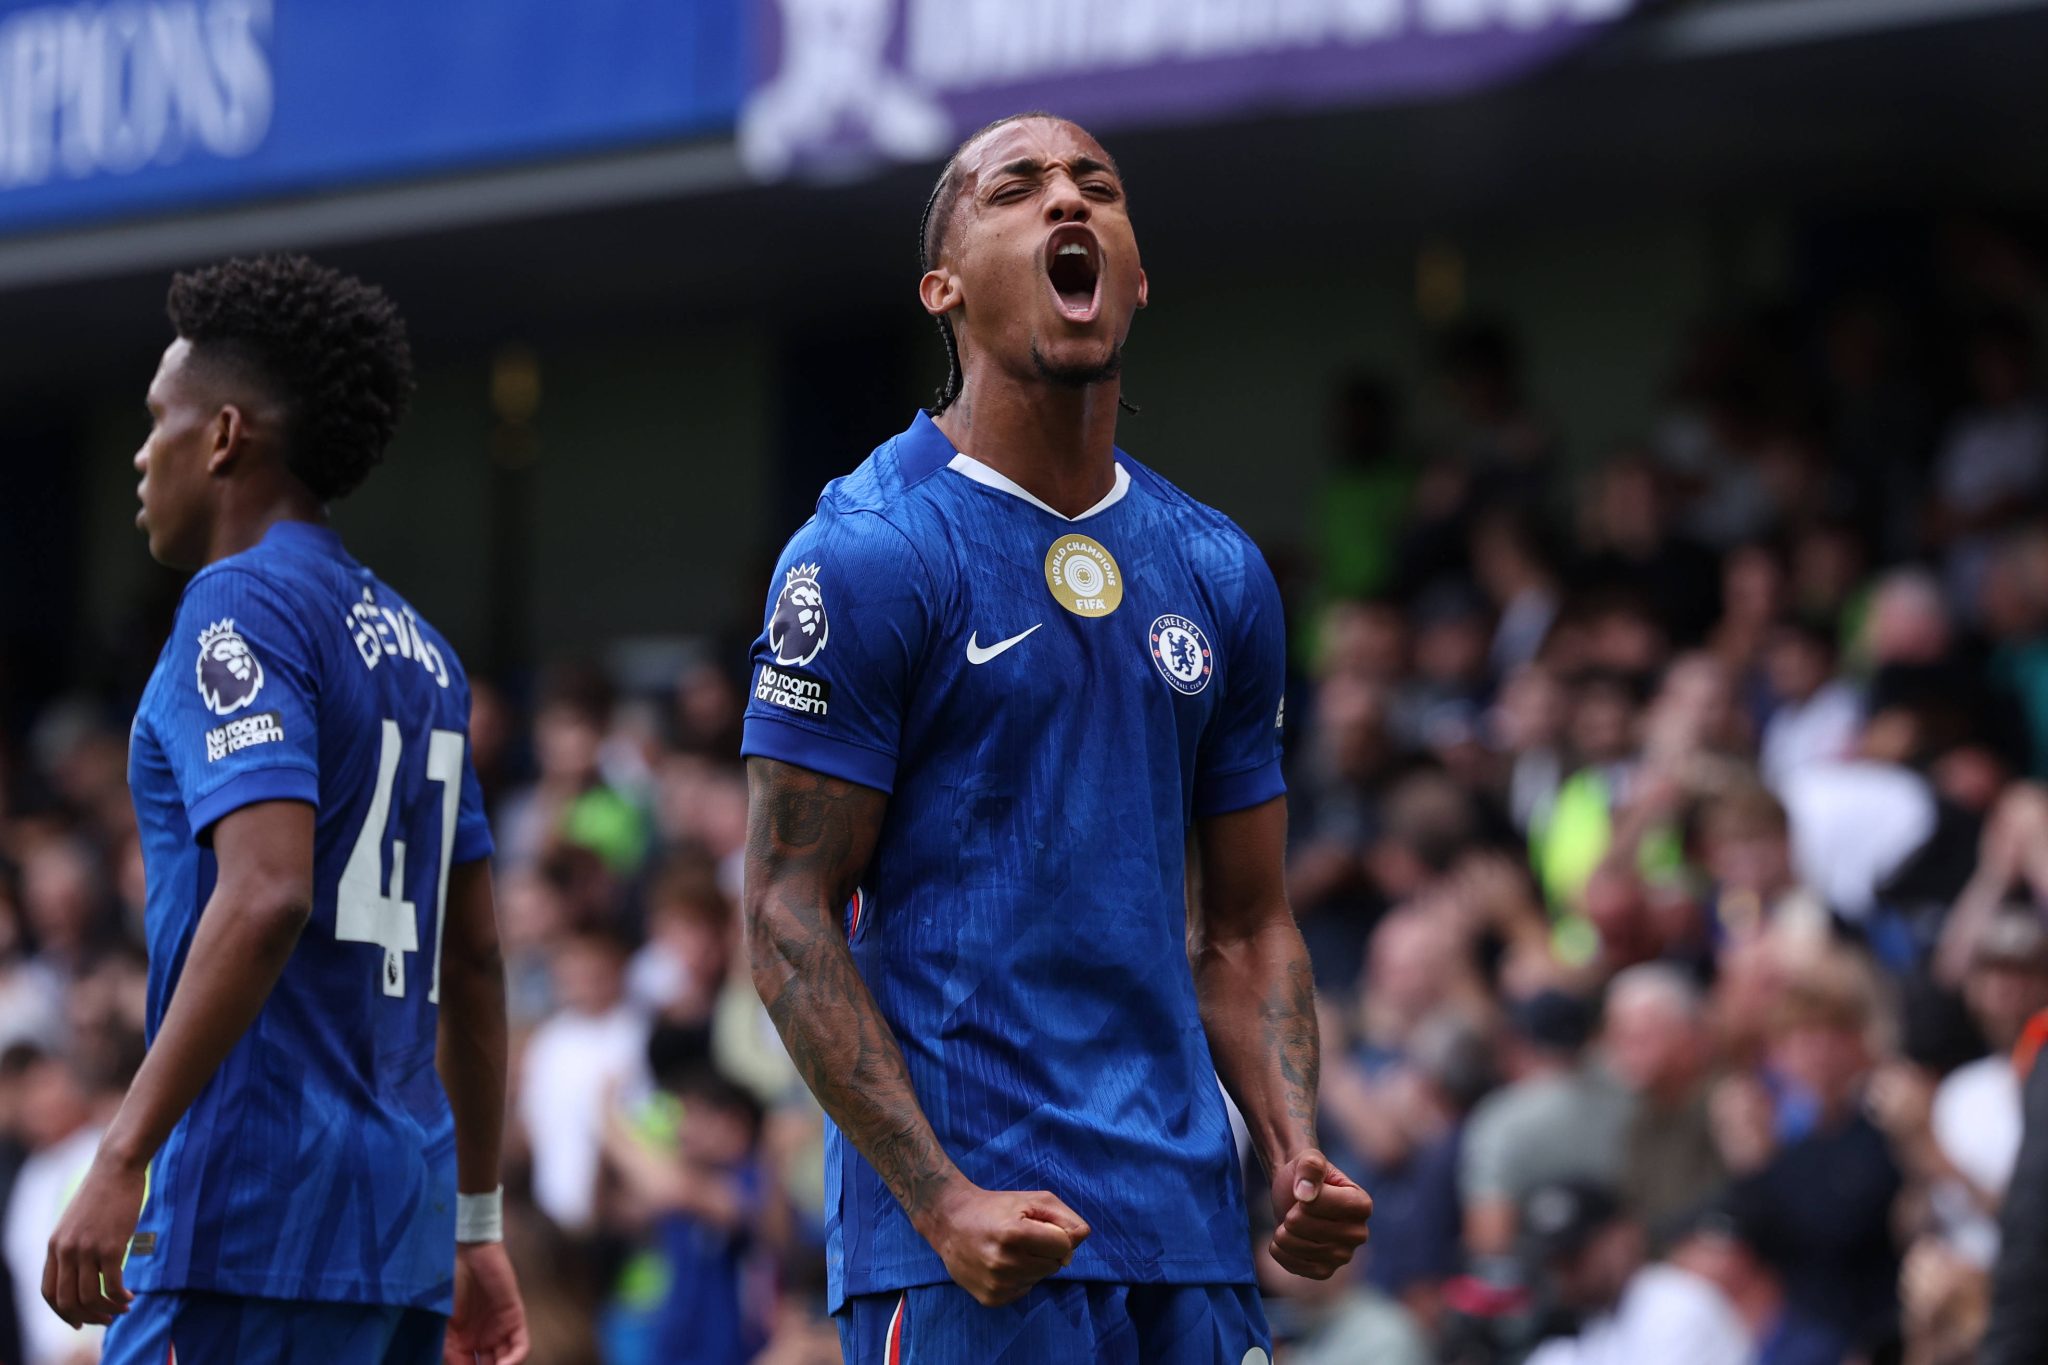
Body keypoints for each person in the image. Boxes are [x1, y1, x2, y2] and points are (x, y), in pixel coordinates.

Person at [740, 112, 1371, 1361]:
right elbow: (783, 910)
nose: (1065, 204)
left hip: (1187, 1236)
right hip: (978, 1248)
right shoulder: (866, 553)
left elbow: (1245, 924)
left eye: (1096, 186)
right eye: (1014, 190)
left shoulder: (1217, 571)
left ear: (1133, 277)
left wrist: (1293, 1150)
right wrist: (939, 1201)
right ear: (944, 289)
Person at [39, 257, 527, 1363]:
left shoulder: (238, 604)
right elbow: (481, 963)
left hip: (244, 1224)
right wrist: (476, 1220)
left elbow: (265, 894)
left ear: (220, 438)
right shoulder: (426, 651)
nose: (138, 451)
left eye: (156, 419)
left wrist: (120, 1155)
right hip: (398, 1237)